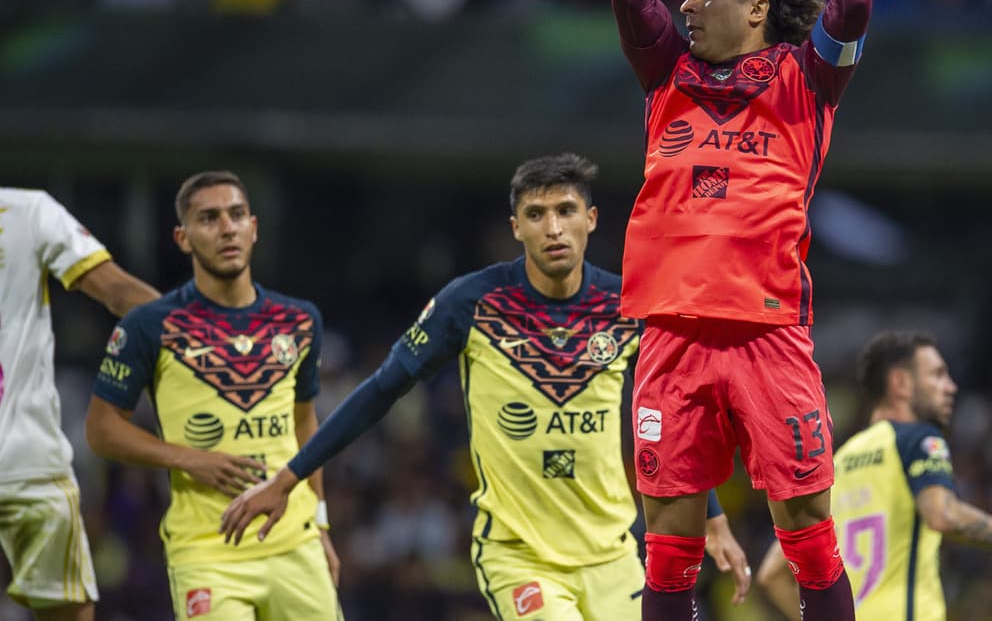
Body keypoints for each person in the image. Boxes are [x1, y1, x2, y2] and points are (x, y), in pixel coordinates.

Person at [219, 154, 751, 620]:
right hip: (519, 557)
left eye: (566, 211)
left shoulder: (628, 308)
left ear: (590, 219)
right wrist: (287, 479)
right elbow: (381, 390)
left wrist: (713, 518)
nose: (553, 228)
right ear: (516, 226)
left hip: (613, 555)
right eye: (537, 215)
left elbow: (667, 426)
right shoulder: (472, 303)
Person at [609, 0, 872, 621]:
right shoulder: (668, 78)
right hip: (672, 334)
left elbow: (855, 4)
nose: (686, 3)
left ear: (758, 11)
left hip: (767, 335)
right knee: (671, 540)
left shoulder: (806, 81)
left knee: (805, 528)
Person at [84, 171, 341, 620]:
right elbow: (101, 429)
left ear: (254, 228)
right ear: (183, 238)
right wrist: (188, 458)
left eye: (236, 215)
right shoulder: (150, 325)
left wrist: (320, 523)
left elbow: (304, 423)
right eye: (208, 218)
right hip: (207, 552)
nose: (226, 228)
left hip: (294, 545)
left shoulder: (300, 320)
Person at [757, 331, 992, 620]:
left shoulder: (836, 465)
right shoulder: (918, 439)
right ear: (901, 383)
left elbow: (772, 574)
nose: (950, 387)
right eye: (938, 375)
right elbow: (942, 515)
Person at [0, 187, 160, 621]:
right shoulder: (27, 211)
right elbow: (119, 293)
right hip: (24, 465)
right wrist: (211, 342)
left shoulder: (30, 211)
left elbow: (120, 294)